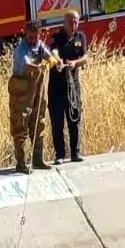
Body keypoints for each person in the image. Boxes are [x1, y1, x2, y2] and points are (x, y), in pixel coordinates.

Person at [9, 20, 53, 174]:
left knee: (38, 121)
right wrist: (39, 66)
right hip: (22, 90)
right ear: (25, 33)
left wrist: (54, 60)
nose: (33, 40)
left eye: (36, 37)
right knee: (20, 123)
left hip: (37, 90)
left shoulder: (39, 44)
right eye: (31, 37)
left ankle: (38, 159)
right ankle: (21, 163)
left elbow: (48, 55)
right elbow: (26, 65)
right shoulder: (21, 48)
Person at [49, 11, 89, 164]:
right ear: (64, 23)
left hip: (73, 86)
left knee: (75, 118)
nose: (74, 25)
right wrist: (59, 60)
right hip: (57, 87)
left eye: (76, 22)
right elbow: (53, 51)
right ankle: (60, 154)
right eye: (71, 22)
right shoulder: (57, 37)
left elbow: (85, 57)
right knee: (57, 122)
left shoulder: (80, 38)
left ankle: (75, 153)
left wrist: (75, 63)